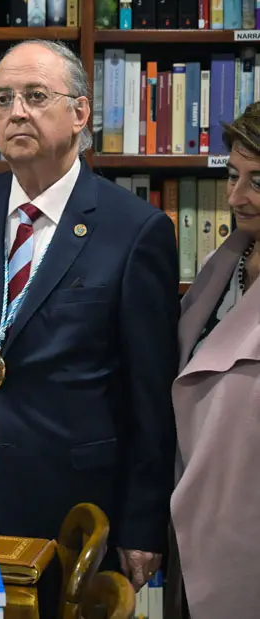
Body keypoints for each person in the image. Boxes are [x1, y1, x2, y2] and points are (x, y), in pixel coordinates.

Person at [0, 38, 179, 612]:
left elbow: (149, 396)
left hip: (69, 503)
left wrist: (143, 522)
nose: (16, 112)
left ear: (80, 113)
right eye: (2, 99)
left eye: (35, 95)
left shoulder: (135, 230)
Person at [164, 103, 260, 619]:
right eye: (232, 175)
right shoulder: (222, 261)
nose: (236, 196)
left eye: (257, 181)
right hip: (194, 519)